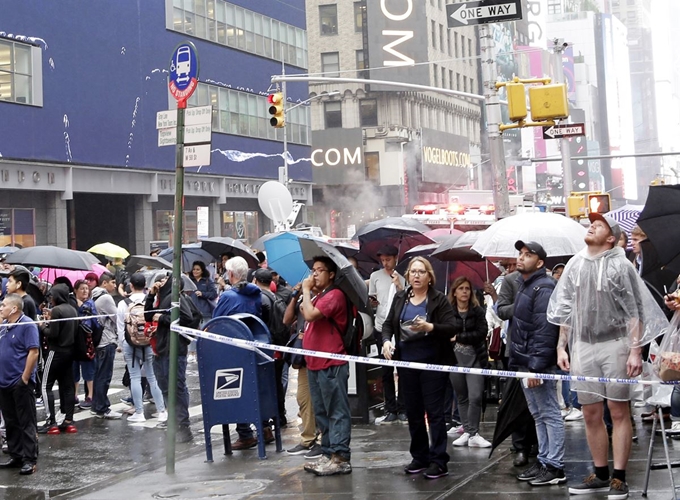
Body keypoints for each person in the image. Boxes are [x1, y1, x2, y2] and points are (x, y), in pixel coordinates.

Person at [548, 213, 670, 499]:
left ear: (611, 238)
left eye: (599, 225)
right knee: (590, 411)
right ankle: (600, 473)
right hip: (583, 345)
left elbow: (634, 311)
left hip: (615, 343)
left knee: (618, 409)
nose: (592, 226)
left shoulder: (620, 265)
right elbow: (567, 308)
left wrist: (634, 351)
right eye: (591, 223)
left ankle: (619, 477)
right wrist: (561, 346)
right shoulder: (576, 264)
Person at [382, 256, 456, 479]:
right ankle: (419, 456)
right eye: (413, 272)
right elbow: (388, 324)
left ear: (429, 276)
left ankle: (438, 460)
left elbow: (452, 327)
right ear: (407, 276)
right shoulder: (401, 297)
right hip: (407, 363)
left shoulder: (439, 300)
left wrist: (430, 326)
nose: (416, 275)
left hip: (433, 363)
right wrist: (386, 341)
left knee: (435, 414)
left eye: (421, 272)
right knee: (413, 412)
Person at [509, 241, 566, 486]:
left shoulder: (543, 287)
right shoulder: (526, 285)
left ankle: (555, 466)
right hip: (525, 361)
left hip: (536, 363)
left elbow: (544, 331)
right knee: (538, 414)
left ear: (540, 262)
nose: (521, 258)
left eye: (528, 255)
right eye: (520, 254)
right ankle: (544, 461)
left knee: (549, 413)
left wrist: (536, 367)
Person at [212, 256, 273, 450]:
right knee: (255, 389)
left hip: (232, 350)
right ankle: (264, 428)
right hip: (253, 344)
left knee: (236, 391)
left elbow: (216, 322)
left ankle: (245, 434)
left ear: (230, 274)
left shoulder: (229, 296)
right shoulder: (255, 293)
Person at [299, 255, 352, 477]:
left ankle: (340, 456)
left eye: (320, 270)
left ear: (331, 274)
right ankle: (328, 451)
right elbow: (302, 310)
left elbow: (310, 314)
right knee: (321, 410)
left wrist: (305, 288)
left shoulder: (335, 295)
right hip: (314, 363)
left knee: (336, 410)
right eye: (313, 270)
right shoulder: (320, 295)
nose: (314, 274)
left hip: (332, 362)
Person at [146, 273, 201, 443]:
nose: (160, 282)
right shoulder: (161, 297)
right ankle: (173, 421)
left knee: (176, 387)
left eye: (163, 280)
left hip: (174, 349)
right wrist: (150, 295)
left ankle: (182, 426)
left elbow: (187, 317)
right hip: (161, 348)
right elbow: (149, 315)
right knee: (165, 387)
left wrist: (162, 319)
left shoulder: (175, 296)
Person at [117, 273, 166, 424]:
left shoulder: (123, 303)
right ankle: (162, 411)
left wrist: (122, 345)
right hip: (148, 342)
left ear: (131, 285)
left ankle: (139, 412)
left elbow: (120, 328)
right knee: (152, 377)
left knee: (135, 377)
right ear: (145, 285)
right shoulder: (151, 300)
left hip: (130, 343)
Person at [448, 276, 491, 449]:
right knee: (462, 397)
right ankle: (467, 431)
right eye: (461, 288)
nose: (464, 291)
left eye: (467, 288)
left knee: (475, 396)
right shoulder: (448, 311)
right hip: (455, 361)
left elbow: (482, 332)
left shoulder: (478, 311)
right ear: (455, 292)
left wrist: (459, 337)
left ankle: (474, 433)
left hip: (476, 360)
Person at [0, 294, 40, 475]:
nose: (1, 308)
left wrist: (24, 378)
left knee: (26, 421)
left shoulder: (27, 324)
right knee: (10, 421)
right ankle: (16, 455)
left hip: (19, 382)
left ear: (14, 308)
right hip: (4, 382)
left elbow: (33, 352)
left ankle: (29, 459)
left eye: (3, 305)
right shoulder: (5, 327)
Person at [368, 244, 406, 424]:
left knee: (404, 369)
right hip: (380, 326)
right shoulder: (375, 276)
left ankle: (403, 407)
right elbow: (372, 299)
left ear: (395, 258)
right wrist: (373, 302)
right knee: (386, 370)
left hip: (399, 328)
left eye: (388, 259)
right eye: (382, 260)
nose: (385, 263)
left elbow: (406, 299)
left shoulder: (403, 276)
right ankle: (390, 408)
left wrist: (399, 285)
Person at [38, 283, 78, 434]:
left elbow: (52, 334)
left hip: (56, 352)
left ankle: (51, 421)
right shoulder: (72, 309)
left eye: (51, 296)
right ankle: (68, 420)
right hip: (70, 351)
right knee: (67, 386)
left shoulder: (57, 310)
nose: (50, 298)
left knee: (45, 385)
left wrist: (42, 325)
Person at [90, 272, 122, 419]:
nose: (114, 286)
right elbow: (117, 318)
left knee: (99, 375)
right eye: (113, 282)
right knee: (104, 376)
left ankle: (96, 406)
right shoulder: (106, 298)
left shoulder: (94, 295)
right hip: (106, 340)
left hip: (98, 341)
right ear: (104, 283)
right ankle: (102, 408)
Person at [72, 280, 97, 410]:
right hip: (74, 340)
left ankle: (90, 396)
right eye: (82, 288)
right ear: (75, 290)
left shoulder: (90, 304)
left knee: (88, 370)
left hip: (87, 340)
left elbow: (92, 323)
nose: (85, 291)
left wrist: (82, 306)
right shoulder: (71, 303)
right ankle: (74, 395)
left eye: (87, 288)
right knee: (74, 369)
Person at [188, 260, 218, 325]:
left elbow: (214, 294)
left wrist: (202, 294)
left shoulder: (207, 281)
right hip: (191, 312)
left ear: (202, 271)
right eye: (194, 269)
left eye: (197, 269)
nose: (195, 271)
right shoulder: (188, 280)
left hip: (204, 313)